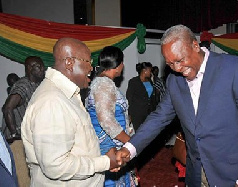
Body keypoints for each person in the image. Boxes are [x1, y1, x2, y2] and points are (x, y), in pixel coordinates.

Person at [117, 24, 238, 187]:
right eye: (170, 64)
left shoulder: (234, 68)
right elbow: (159, 117)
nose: (177, 68)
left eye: (180, 60)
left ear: (195, 46)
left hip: (234, 173)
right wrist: (130, 148)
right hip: (196, 173)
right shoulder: (174, 81)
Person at [21, 38, 122, 186]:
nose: (92, 68)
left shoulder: (65, 94)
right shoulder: (52, 101)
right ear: (69, 63)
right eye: (88, 61)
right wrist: (104, 162)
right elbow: (56, 166)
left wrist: (101, 157)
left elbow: (76, 148)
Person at [85, 46, 136, 186]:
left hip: (112, 143)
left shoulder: (103, 82)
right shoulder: (103, 84)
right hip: (109, 145)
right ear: (118, 65)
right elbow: (107, 121)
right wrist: (131, 142)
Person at [2, 56, 45, 141]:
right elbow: (7, 108)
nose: (42, 69)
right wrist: (14, 134)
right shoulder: (23, 85)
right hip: (15, 141)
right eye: (39, 66)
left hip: (28, 137)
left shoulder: (38, 84)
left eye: (42, 66)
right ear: (29, 68)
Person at [126, 62, 159, 131]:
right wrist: (129, 114)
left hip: (149, 112)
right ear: (145, 70)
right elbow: (129, 97)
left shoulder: (149, 81)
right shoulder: (133, 82)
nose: (151, 72)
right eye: (150, 70)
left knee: (150, 133)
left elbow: (151, 97)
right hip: (138, 113)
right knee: (140, 133)